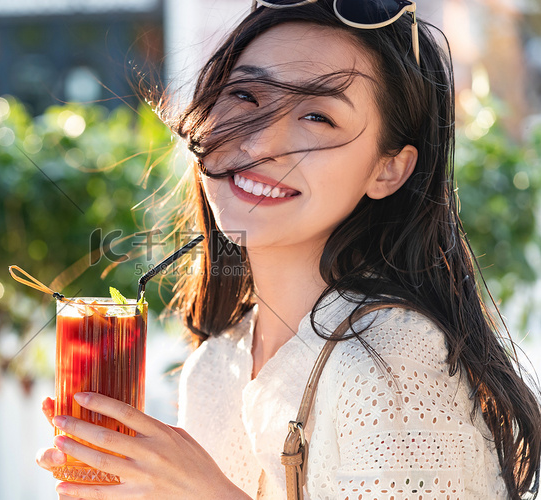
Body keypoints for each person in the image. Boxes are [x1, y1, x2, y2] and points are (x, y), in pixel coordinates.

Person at [36, 0, 541, 498]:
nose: (259, 145)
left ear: (389, 169)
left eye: (318, 117)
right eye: (247, 96)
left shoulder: (392, 365)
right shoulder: (213, 370)